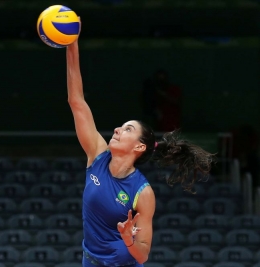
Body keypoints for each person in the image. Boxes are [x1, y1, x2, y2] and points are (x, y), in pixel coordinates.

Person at [66, 37, 215, 267]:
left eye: (127, 129)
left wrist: (128, 239)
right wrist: (71, 45)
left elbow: (143, 254)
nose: (117, 129)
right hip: (90, 261)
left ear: (139, 146)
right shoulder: (97, 154)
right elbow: (76, 101)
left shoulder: (142, 192)